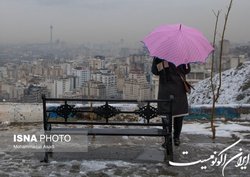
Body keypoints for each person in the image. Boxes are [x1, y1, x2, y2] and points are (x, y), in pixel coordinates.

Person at [151, 57, 191, 146]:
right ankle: (176, 138)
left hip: (166, 90)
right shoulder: (181, 54)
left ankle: (167, 139)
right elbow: (187, 71)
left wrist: (159, 62)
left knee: (165, 116)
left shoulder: (159, 56)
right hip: (179, 89)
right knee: (178, 116)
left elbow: (154, 71)